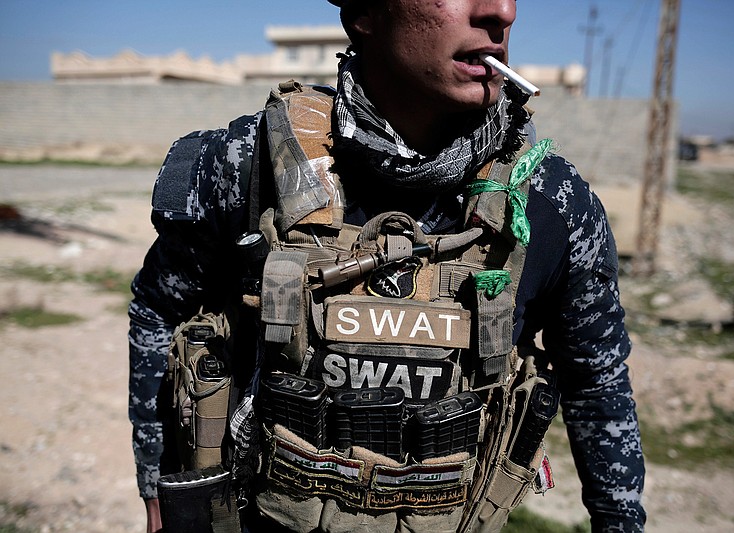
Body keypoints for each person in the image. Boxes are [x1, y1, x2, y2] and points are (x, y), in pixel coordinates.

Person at [128, 0, 646, 531]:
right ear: (364, 12)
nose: (502, 11)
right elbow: (158, 312)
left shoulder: (551, 203)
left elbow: (596, 383)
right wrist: (158, 485)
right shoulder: (249, 164)